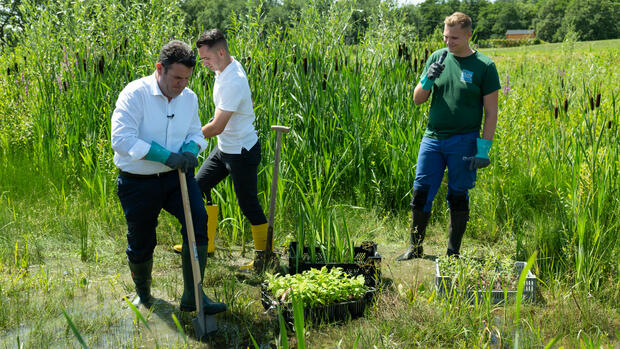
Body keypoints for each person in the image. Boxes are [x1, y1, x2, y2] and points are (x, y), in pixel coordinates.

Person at [111, 40, 226, 314]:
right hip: (137, 180)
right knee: (141, 240)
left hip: (177, 178)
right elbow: (121, 138)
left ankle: (194, 295)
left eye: (186, 78)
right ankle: (144, 294)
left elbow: (196, 133)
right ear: (159, 68)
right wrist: (163, 155)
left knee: (198, 220)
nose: (181, 84)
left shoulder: (189, 98)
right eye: (176, 77)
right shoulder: (134, 94)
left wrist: (189, 149)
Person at [397, 12, 500, 260]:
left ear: (468, 35)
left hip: (464, 141)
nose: (448, 42)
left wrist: (483, 150)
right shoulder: (437, 58)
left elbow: (491, 112)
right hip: (432, 139)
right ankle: (415, 247)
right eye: (445, 36)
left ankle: (453, 253)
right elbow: (417, 99)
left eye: (454, 37)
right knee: (421, 191)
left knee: (457, 194)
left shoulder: (485, 66)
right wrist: (428, 78)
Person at [181, 28, 269, 270]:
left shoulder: (233, 80)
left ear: (221, 52)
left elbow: (218, 126)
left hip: (241, 151)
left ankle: (264, 258)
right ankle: (205, 243)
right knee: (197, 187)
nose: (204, 64)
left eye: (206, 59)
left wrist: (188, 136)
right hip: (224, 149)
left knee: (248, 204)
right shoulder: (226, 67)